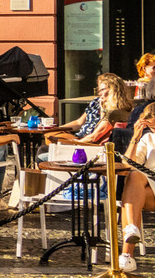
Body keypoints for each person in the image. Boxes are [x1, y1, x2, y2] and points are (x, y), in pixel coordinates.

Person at [114, 104, 155, 271]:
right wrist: (135, 138)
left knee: (130, 199)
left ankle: (127, 256)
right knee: (134, 176)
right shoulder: (149, 139)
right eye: (151, 126)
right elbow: (126, 166)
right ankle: (131, 228)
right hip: (150, 188)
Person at [46, 73, 134, 149]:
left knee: (44, 150)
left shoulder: (115, 113)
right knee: (49, 137)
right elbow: (79, 122)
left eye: (103, 90)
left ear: (114, 90)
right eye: (99, 90)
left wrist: (71, 143)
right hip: (82, 140)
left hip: (87, 146)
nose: (99, 93)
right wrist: (57, 129)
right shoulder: (99, 104)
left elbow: (94, 137)